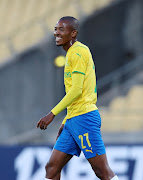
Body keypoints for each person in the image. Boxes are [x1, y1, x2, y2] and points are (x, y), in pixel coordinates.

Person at [37, 16, 119, 180]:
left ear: (73, 33)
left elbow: (76, 91)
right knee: (52, 168)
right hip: (73, 119)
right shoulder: (72, 53)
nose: (56, 33)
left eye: (61, 29)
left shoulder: (79, 52)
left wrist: (52, 114)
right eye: (55, 29)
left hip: (84, 118)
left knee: (102, 171)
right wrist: (66, 120)